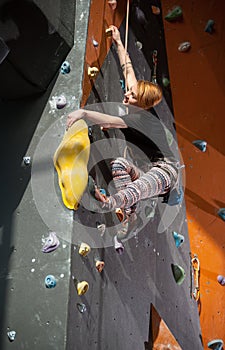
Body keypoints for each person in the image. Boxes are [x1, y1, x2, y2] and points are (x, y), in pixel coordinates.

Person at [66, 26, 180, 238]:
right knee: (118, 164)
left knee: (135, 190)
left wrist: (82, 113)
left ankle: (117, 207)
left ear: (142, 106)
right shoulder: (138, 101)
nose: (127, 95)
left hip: (166, 172)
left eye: (132, 97)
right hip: (148, 167)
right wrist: (118, 42)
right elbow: (128, 69)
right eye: (130, 91)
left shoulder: (137, 118)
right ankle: (131, 214)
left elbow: (108, 119)